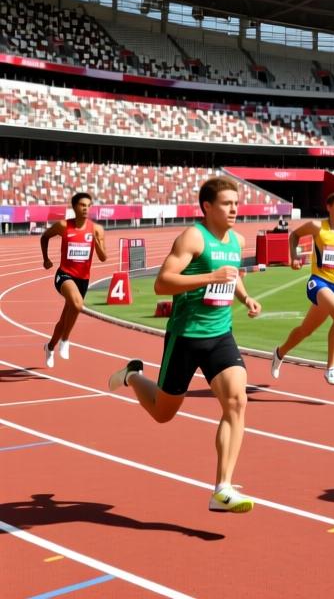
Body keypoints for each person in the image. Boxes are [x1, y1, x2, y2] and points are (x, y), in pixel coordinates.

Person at [107, 177, 263, 512]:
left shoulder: (236, 239)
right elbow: (162, 283)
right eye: (226, 203)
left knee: (237, 401)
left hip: (221, 334)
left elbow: (231, 274)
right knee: (163, 413)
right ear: (207, 207)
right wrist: (209, 277)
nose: (234, 208)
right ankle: (132, 375)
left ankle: (222, 489)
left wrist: (246, 297)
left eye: (236, 203)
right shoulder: (193, 237)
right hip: (187, 336)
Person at [270, 192, 334, 386]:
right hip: (317, 283)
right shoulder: (317, 227)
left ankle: (279, 353)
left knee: (305, 330)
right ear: (329, 207)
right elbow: (294, 235)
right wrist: (294, 257)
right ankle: (331, 368)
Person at [40, 192, 107, 368]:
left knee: (63, 322)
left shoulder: (97, 229)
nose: (86, 208)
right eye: (82, 205)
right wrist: (46, 259)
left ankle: (50, 346)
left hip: (82, 280)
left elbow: (103, 257)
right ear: (75, 207)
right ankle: (66, 340)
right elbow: (45, 236)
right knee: (77, 305)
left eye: (88, 205)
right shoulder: (63, 226)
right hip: (64, 275)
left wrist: (96, 241)